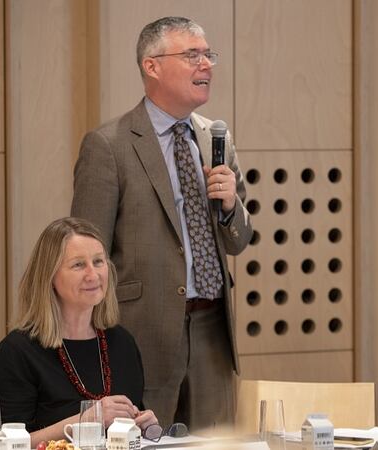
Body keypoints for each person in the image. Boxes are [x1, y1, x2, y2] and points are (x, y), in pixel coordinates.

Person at [71, 16, 252, 429]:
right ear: (151, 66)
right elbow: (85, 251)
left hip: (212, 330)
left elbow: (239, 240)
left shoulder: (214, 137)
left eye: (209, 55)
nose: (206, 65)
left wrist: (229, 207)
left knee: (214, 442)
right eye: (192, 55)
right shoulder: (109, 144)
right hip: (140, 331)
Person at [0, 218, 158, 443]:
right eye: (78, 265)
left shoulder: (122, 342)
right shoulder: (17, 352)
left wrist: (142, 425)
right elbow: (2, 445)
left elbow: (125, 432)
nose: (93, 275)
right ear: (50, 277)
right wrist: (86, 421)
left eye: (98, 262)